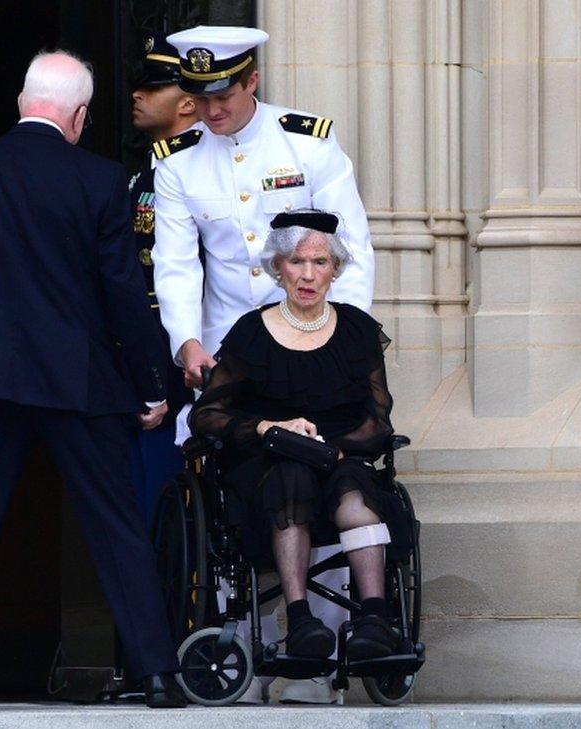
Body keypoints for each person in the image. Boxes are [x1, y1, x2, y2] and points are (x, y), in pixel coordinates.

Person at [0, 50, 186, 711]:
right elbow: (121, 292)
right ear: (79, 114)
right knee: (116, 527)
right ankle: (159, 673)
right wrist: (150, 384)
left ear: (23, 101)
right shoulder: (101, 180)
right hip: (81, 383)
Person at [153, 24, 374, 703]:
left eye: (222, 95)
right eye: (198, 97)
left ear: (251, 81)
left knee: (330, 476)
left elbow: (351, 246)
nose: (210, 112)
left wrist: (347, 345)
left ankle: (324, 657)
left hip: (313, 344)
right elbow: (176, 264)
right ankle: (242, 654)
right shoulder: (180, 161)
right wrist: (186, 341)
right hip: (236, 360)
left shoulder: (306, 143)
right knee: (233, 487)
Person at [189, 210, 397, 661]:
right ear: (277, 268)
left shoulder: (357, 331)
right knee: (291, 480)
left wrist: (335, 450)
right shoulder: (252, 333)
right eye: (295, 262)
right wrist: (267, 427)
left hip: (339, 458)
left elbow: (378, 419)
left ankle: (375, 619)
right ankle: (301, 620)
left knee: (355, 491)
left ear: (335, 271)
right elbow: (206, 416)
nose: (307, 275)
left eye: (320, 263)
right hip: (268, 466)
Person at [127, 34, 200, 523]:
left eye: (154, 87)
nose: (137, 94)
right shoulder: (142, 177)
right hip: (147, 354)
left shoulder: (198, 172)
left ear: (188, 101)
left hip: (188, 357)